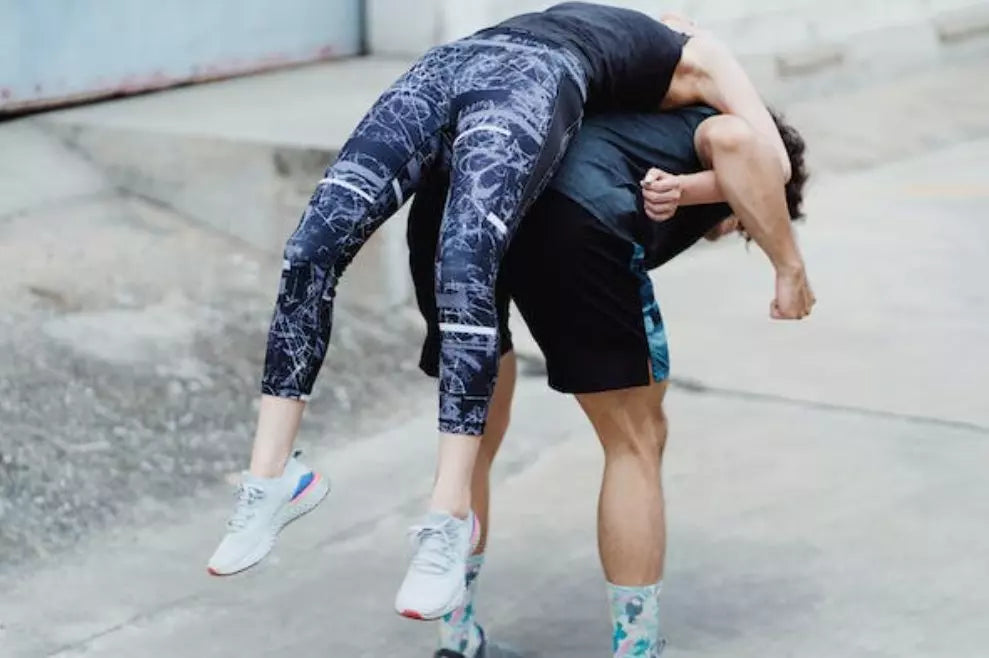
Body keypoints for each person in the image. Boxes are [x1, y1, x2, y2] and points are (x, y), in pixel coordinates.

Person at [206, 2, 813, 623]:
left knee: (340, 268)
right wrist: (787, 266)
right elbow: (761, 154)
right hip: (541, 135)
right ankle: (622, 636)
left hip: (454, 111)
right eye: (740, 226)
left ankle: (440, 599)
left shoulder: (618, 74)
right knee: (626, 430)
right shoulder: (704, 71)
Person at [407, 104, 810, 657]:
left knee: (471, 436)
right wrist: (789, 264)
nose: (737, 230)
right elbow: (736, 140)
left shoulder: (637, 124)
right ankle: (636, 650)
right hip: (570, 212)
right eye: (747, 224)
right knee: (636, 440)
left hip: (453, 195)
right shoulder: (718, 132)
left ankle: (456, 640)